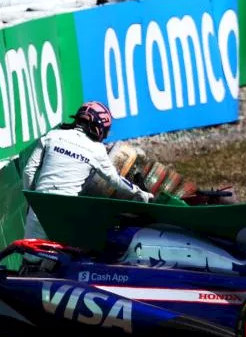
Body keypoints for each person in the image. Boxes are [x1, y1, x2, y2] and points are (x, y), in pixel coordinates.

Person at [22, 101, 152, 241]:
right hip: (66, 211)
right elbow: (115, 180)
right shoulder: (97, 149)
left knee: (30, 258)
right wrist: (139, 192)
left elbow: (28, 171)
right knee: (67, 257)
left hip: (39, 205)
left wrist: (32, 199)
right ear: (98, 126)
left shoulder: (52, 135)